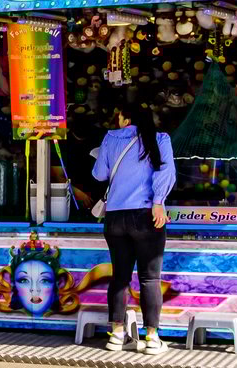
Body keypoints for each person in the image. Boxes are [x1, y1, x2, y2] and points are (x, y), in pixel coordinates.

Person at [91, 100, 175, 354]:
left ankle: (116, 335)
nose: (117, 122)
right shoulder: (160, 139)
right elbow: (166, 172)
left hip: (115, 217)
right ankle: (152, 339)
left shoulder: (110, 139)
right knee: (149, 278)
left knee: (120, 277)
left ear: (126, 119)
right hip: (145, 214)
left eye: (119, 117)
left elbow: (99, 174)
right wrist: (159, 202)